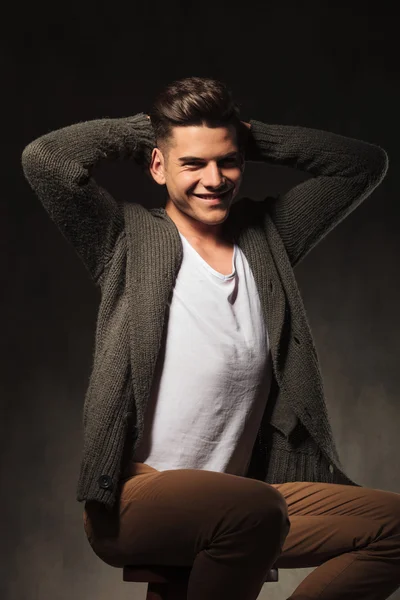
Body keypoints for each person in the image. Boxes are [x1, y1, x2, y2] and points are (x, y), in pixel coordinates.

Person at [22, 76, 399, 600]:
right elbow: (47, 161)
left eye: (228, 161)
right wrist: (149, 131)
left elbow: (362, 164)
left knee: (392, 527)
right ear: (158, 166)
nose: (214, 178)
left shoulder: (266, 240)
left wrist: (252, 135)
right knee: (256, 509)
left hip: (244, 504)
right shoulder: (125, 241)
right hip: (137, 499)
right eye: (193, 163)